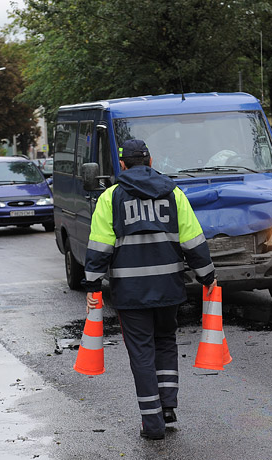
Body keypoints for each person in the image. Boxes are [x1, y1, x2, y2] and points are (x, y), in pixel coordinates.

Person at [83, 139, 217, 440]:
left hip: (130, 293)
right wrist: (207, 276)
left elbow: (100, 247)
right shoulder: (173, 194)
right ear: (150, 161)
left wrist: (92, 284)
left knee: (142, 353)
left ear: (123, 164)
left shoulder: (111, 198)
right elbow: (193, 240)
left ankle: (152, 424)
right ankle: (167, 405)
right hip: (168, 287)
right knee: (166, 342)